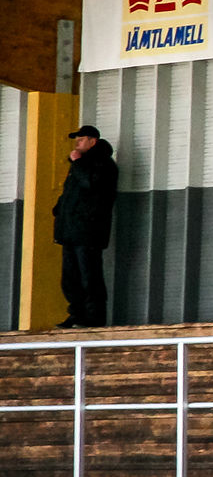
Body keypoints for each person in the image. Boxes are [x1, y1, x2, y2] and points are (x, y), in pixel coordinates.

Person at [53, 124, 118, 328]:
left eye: (81, 140)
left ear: (93, 141)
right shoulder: (80, 165)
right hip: (71, 230)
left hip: (89, 231)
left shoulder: (103, 164)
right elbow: (72, 193)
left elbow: (90, 184)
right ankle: (77, 314)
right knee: (70, 277)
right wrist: (59, 209)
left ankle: (94, 317)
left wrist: (78, 163)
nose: (77, 144)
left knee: (89, 275)